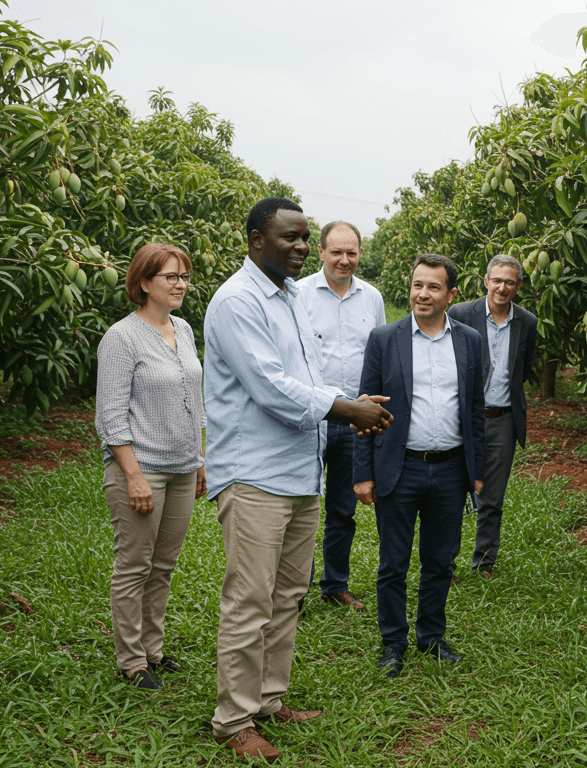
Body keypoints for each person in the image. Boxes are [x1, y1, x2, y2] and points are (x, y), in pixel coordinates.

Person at [203, 197, 393, 760]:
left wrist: (351, 403)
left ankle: (268, 698)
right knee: (250, 600)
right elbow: (271, 387)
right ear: (256, 240)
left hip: (298, 474)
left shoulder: (288, 297)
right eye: (289, 238)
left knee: (288, 594)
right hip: (256, 475)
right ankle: (234, 720)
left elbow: (305, 374)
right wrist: (346, 409)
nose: (300, 248)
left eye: (304, 238)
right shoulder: (237, 301)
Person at [353, 253, 485, 677]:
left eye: (432, 287)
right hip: (400, 467)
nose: (422, 294)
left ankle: (431, 637)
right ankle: (393, 643)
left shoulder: (468, 340)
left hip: (449, 468)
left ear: (451, 294)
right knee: (393, 563)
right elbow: (363, 409)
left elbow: (475, 410)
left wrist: (476, 469)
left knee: (440, 560)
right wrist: (363, 473)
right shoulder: (384, 339)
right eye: (417, 285)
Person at [95, 243, 206, 691]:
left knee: (163, 565)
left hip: (182, 468)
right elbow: (110, 415)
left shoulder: (183, 328)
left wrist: (199, 459)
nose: (180, 284)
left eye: (183, 276)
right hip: (141, 470)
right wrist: (134, 475)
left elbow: (195, 400)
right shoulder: (121, 337)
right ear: (144, 283)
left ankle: (153, 650)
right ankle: (131, 659)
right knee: (134, 565)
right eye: (170, 277)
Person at [295, 221, 386, 611]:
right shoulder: (297, 295)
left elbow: (381, 354)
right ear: (320, 252)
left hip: (355, 420)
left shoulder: (372, 298)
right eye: (336, 252)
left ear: (360, 254)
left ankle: (335, 584)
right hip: (310, 417)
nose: (344, 260)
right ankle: (293, 591)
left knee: (342, 509)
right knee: (299, 507)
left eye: (351, 253)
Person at [445, 254, 537, 579]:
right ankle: (446, 564)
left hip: (502, 419)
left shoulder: (527, 322)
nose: (502, 287)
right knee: (454, 492)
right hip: (463, 418)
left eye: (509, 282)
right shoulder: (460, 314)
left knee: (493, 497)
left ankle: (484, 563)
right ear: (485, 281)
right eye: (496, 280)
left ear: (518, 286)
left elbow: (522, 372)